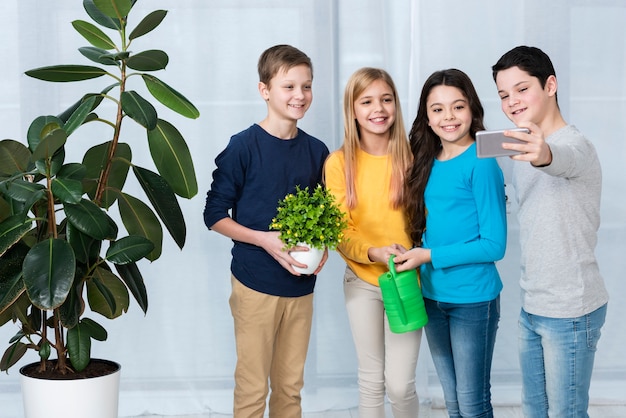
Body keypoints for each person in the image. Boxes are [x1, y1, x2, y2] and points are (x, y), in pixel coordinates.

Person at [203, 44, 330, 418]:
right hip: (254, 282)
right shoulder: (243, 147)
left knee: (290, 387)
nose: (300, 96)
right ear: (265, 90)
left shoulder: (317, 151)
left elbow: (322, 215)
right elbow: (213, 215)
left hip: (300, 285)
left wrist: (319, 252)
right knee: (253, 385)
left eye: (306, 87)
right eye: (289, 86)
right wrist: (264, 240)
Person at [491, 45, 609, 418]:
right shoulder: (521, 152)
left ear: (551, 85)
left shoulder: (575, 146)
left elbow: (560, 159)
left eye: (522, 89)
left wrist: (545, 154)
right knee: (535, 411)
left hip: (571, 309)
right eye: (504, 95)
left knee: (567, 414)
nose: (512, 101)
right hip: (534, 304)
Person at [392, 69, 507, 418]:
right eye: (438, 109)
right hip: (432, 296)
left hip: (473, 300)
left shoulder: (482, 162)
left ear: (472, 108)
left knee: (472, 405)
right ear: (426, 117)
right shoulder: (427, 161)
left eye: (457, 106)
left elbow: (494, 245)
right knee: (453, 404)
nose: (449, 117)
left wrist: (427, 255)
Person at [324, 67, 421, 417]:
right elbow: (339, 232)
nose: (378, 109)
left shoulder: (412, 159)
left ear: (396, 104)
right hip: (362, 281)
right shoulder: (338, 164)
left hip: (408, 280)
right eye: (366, 101)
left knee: (400, 384)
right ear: (352, 110)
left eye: (386, 99)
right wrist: (373, 252)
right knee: (370, 381)